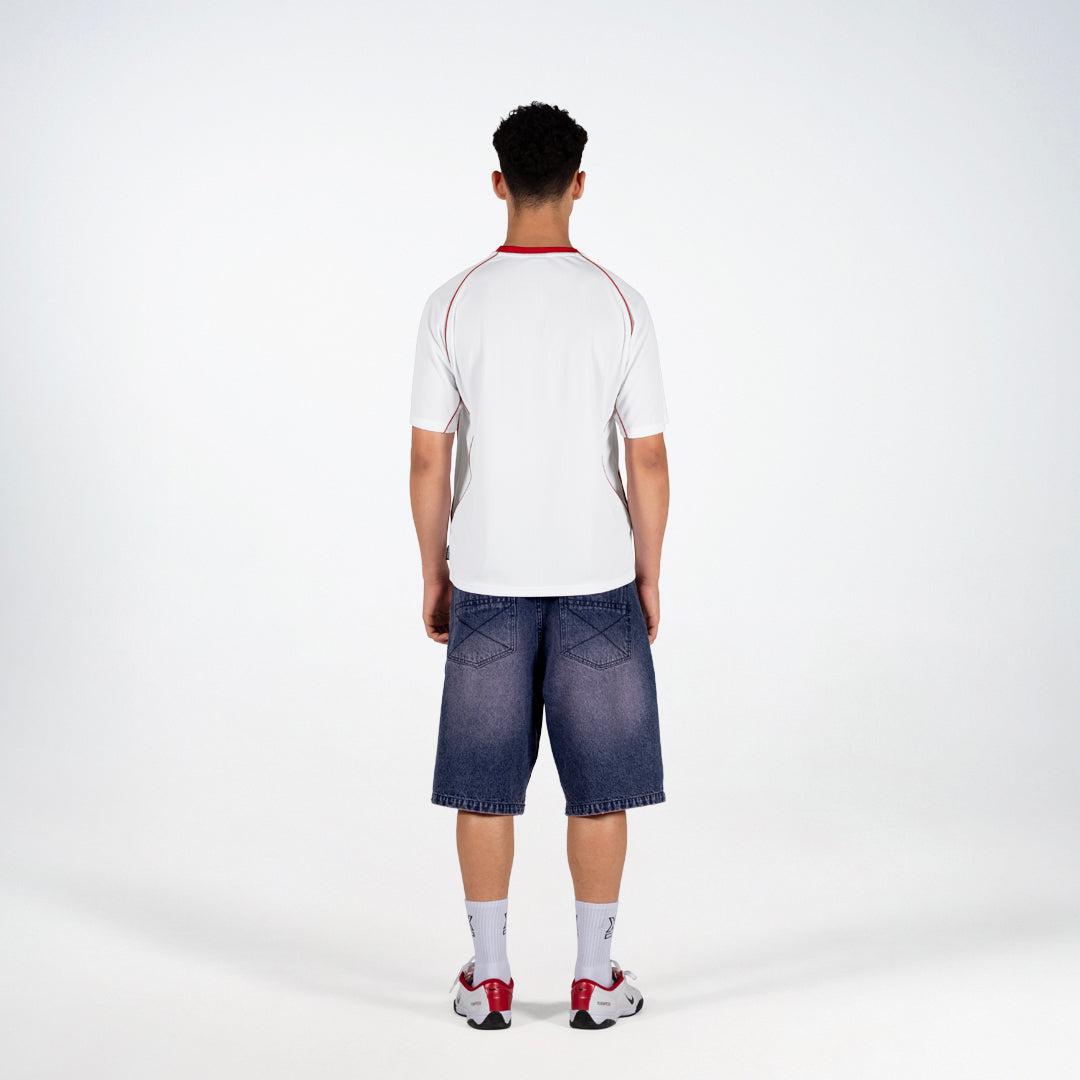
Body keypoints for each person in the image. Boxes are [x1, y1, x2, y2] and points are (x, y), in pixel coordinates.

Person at [408, 100, 670, 1031]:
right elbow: (647, 458)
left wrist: (433, 570)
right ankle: (596, 980)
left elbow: (429, 457)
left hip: (486, 577)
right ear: (579, 183)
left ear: (498, 182)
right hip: (599, 576)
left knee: (485, 789)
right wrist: (648, 573)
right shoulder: (620, 302)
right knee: (600, 791)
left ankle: (489, 981)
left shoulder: (453, 302)